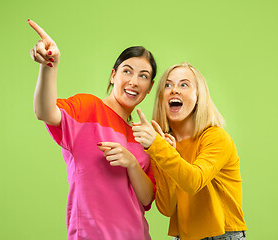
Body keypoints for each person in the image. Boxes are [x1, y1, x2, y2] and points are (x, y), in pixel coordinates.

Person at [28, 19, 156, 240]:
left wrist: (131, 163)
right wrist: (49, 66)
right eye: (127, 71)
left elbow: (146, 199)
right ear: (113, 75)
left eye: (143, 76)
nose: (134, 81)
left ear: (150, 87)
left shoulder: (143, 135)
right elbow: (45, 112)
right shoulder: (87, 108)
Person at [132, 62, 247, 240]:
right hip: (182, 236)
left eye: (184, 84)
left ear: (198, 96)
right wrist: (163, 150)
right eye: (168, 85)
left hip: (222, 235)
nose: (174, 90)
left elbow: (193, 182)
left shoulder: (216, 138)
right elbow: (166, 208)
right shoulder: (162, 146)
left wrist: (158, 147)